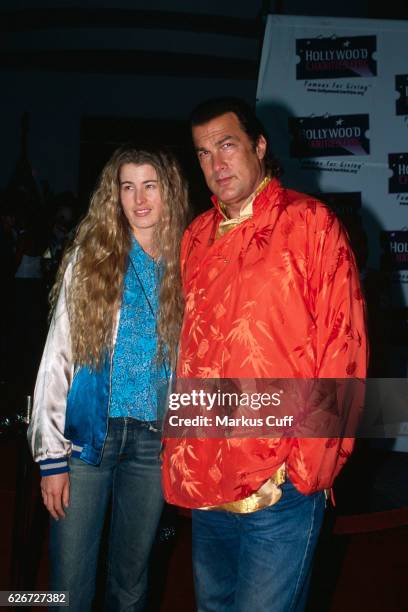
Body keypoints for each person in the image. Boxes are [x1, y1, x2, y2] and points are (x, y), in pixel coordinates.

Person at [161, 98, 368, 611]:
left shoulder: (310, 224)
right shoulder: (195, 238)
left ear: (258, 146)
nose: (216, 164)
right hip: (209, 482)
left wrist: (306, 470)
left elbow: (344, 347)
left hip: (280, 486)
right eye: (204, 153)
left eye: (227, 145)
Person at [27, 146, 189, 611]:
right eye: (127, 186)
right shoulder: (92, 257)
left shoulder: (188, 262)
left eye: (150, 185)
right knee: (70, 587)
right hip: (87, 443)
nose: (139, 199)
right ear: (113, 195)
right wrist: (51, 459)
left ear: (169, 192)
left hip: (152, 444)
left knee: (132, 584)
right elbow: (56, 357)